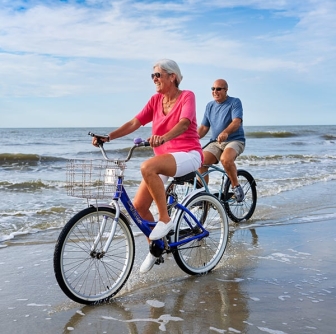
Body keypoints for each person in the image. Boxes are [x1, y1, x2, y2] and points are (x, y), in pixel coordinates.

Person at [92, 59, 203, 273]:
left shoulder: (187, 96)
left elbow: (184, 123)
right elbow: (135, 122)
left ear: (173, 76)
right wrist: (108, 137)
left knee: (147, 167)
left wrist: (163, 137)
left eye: (158, 75)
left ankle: (165, 219)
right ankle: (156, 247)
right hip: (164, 160)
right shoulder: (155, 100)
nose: (154, 79)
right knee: (139, 207)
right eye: (152, 76)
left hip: (188, 154)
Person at [197, 79, 245, 202]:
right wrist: (190, 139)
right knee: (200, 162)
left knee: (226, 159)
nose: (215, 91)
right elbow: (203, 128)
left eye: (218, 89)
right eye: (213, 89)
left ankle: (236, 186)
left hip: (235, 140)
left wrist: (225, 132)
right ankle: (202, 195)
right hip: (216, 142)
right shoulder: (210, 106)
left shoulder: (234, 102)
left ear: (226, 90)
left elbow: (236, 122)